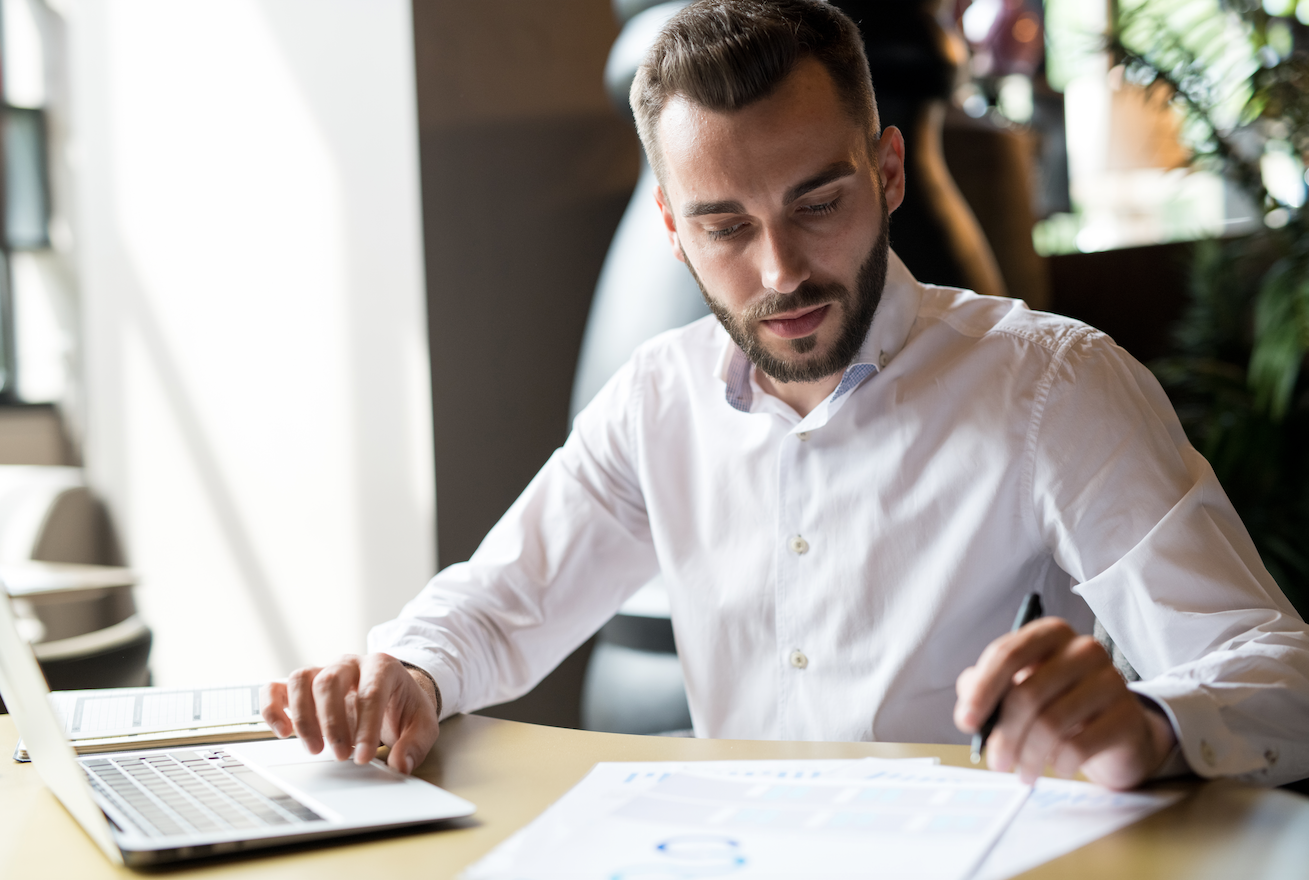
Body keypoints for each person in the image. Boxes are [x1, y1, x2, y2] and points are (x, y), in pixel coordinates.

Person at [261, 0, 1309, 790]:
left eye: (817, 202)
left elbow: (1278, 676)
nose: (780, 273)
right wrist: (403, 669)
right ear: (672, 230)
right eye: (724, 226)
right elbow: (501, 601)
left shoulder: (1053, 385)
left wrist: (1148, 720)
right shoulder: (655, 402)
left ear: (887, 170)